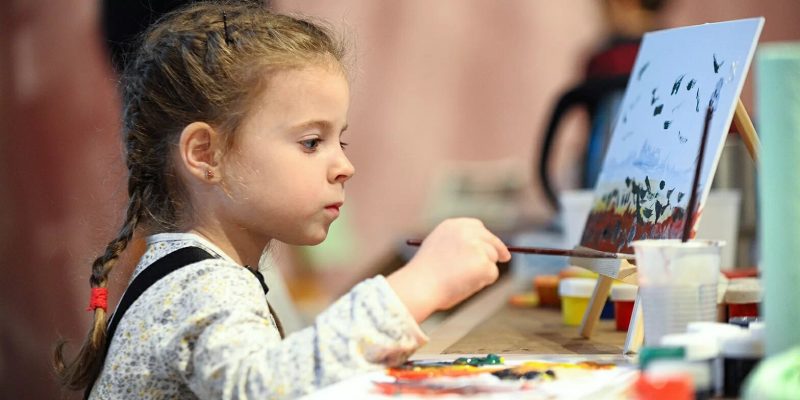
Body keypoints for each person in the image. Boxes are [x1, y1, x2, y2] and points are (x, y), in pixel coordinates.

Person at [52, 2, 510, 399]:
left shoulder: (196, 272)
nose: (344, 166)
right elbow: (267, 388)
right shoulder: (201, 287)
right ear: (206, 154)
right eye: (312, 142)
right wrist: (420, 286)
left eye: (340, 142)